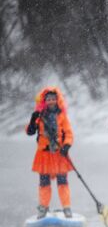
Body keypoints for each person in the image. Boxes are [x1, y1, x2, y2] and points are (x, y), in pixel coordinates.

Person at [25, 87, 74, 219]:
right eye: (48, 99)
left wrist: (66, 146)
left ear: (57, 100)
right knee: (44, 182)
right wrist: (32, 119)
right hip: (44, 155)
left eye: (53, 99)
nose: (51, 101)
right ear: (44, 101)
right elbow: (30, 132)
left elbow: (69, 134)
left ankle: (67, 208)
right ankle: (43, 208)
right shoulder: (39, 116)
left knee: (62, 182)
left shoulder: (62, 116)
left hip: (59, 154)